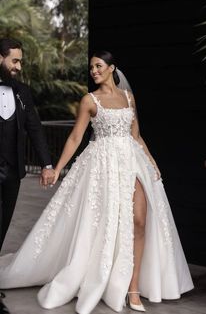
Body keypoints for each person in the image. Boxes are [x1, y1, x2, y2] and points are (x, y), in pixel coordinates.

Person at [0, 50, 194, 314]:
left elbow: (136, 136)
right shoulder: (89, 100)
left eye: (98, 66)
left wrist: (151, 161)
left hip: (132, 161)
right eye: (91, 67)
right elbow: (75, 137)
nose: (93, 71)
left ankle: (134, 288)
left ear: (112, 68)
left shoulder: (128, 98)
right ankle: (109, 279)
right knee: (105, 224)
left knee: (140, 219)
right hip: (102, 165)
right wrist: (56, 168)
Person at [0, 37, 55, 251]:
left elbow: (35, 128)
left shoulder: (23, 91)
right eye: (15, 61)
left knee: (4, 222)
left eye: (20, 61)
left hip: (13, 171)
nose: (19, 67)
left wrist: (47, 165)